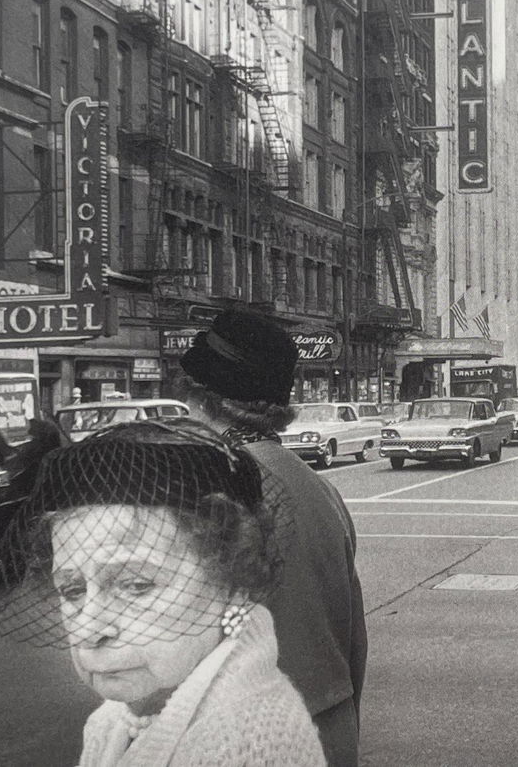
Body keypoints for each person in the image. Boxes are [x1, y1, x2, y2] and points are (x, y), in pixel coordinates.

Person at [0, 423, 324, 767]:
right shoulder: (113, 720)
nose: (89, 629)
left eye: (135, 585)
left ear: (233, 581)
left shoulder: (249, 743)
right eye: (72, 590)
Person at [177, 308, 367, 767]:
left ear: (203, 399)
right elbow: (353, 640)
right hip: (328, 728)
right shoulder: (321, 490)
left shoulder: (201, 489)